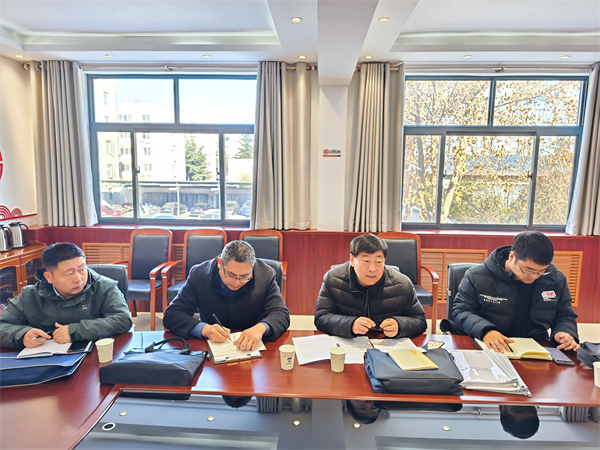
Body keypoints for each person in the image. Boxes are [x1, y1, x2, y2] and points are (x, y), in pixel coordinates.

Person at [452, 231, 579, 353]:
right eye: (528, 270)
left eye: (541, 271)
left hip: (534, 347)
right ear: (512, 256)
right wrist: (486, 330)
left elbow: (564, 315)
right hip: (488, 344)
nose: (534, 276)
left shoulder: (555, 279)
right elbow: (461, 311)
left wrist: (564, 332)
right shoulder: (477, 276)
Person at [163, 240, 290, 351]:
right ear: (220, 263)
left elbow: (280, 313)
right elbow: (172, 314)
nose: (237, 282)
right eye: (231, 275)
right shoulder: (199, 274)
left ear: (253, 266)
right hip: (211, 346)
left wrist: (261, 328)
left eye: (244, 276)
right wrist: (205, 329)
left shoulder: (266, 274)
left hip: (253, 346)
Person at [0, 242, 132, 349]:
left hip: (96, 355)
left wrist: (75, 331)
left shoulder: (104, 287)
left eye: (82, 270)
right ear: (48, 277)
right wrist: (21, 336)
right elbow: (2, 326)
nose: (78, 279)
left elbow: (122, 320)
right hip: (44, 362)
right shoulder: (29, 296)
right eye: (69, 274)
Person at [314, 234, 427, 339]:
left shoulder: (402, 284)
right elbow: (321, 318)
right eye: (366, 261)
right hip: (349, 344)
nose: (372, 269)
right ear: (352, 260)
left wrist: (400, 325)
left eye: (378, 262)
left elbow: (420, 322)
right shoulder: (333, 279)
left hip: (385, 344)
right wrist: (350, 324)